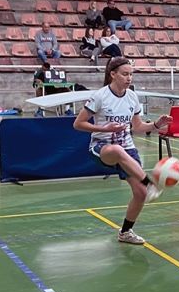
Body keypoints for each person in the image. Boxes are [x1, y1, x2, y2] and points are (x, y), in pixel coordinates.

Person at [73, 57, 172, 245]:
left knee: (140, 194)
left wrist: (157, 124)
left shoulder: (132, 97)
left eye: (131, 74)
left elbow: (138, 126)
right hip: (102, 148)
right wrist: (106, 129)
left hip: (127, 148)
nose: (129, 78)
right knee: (118, 150)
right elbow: (78, 124)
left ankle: (125, 232)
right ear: (113, 74)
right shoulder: (100, 96)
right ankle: (150, 184)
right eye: (125, 74)